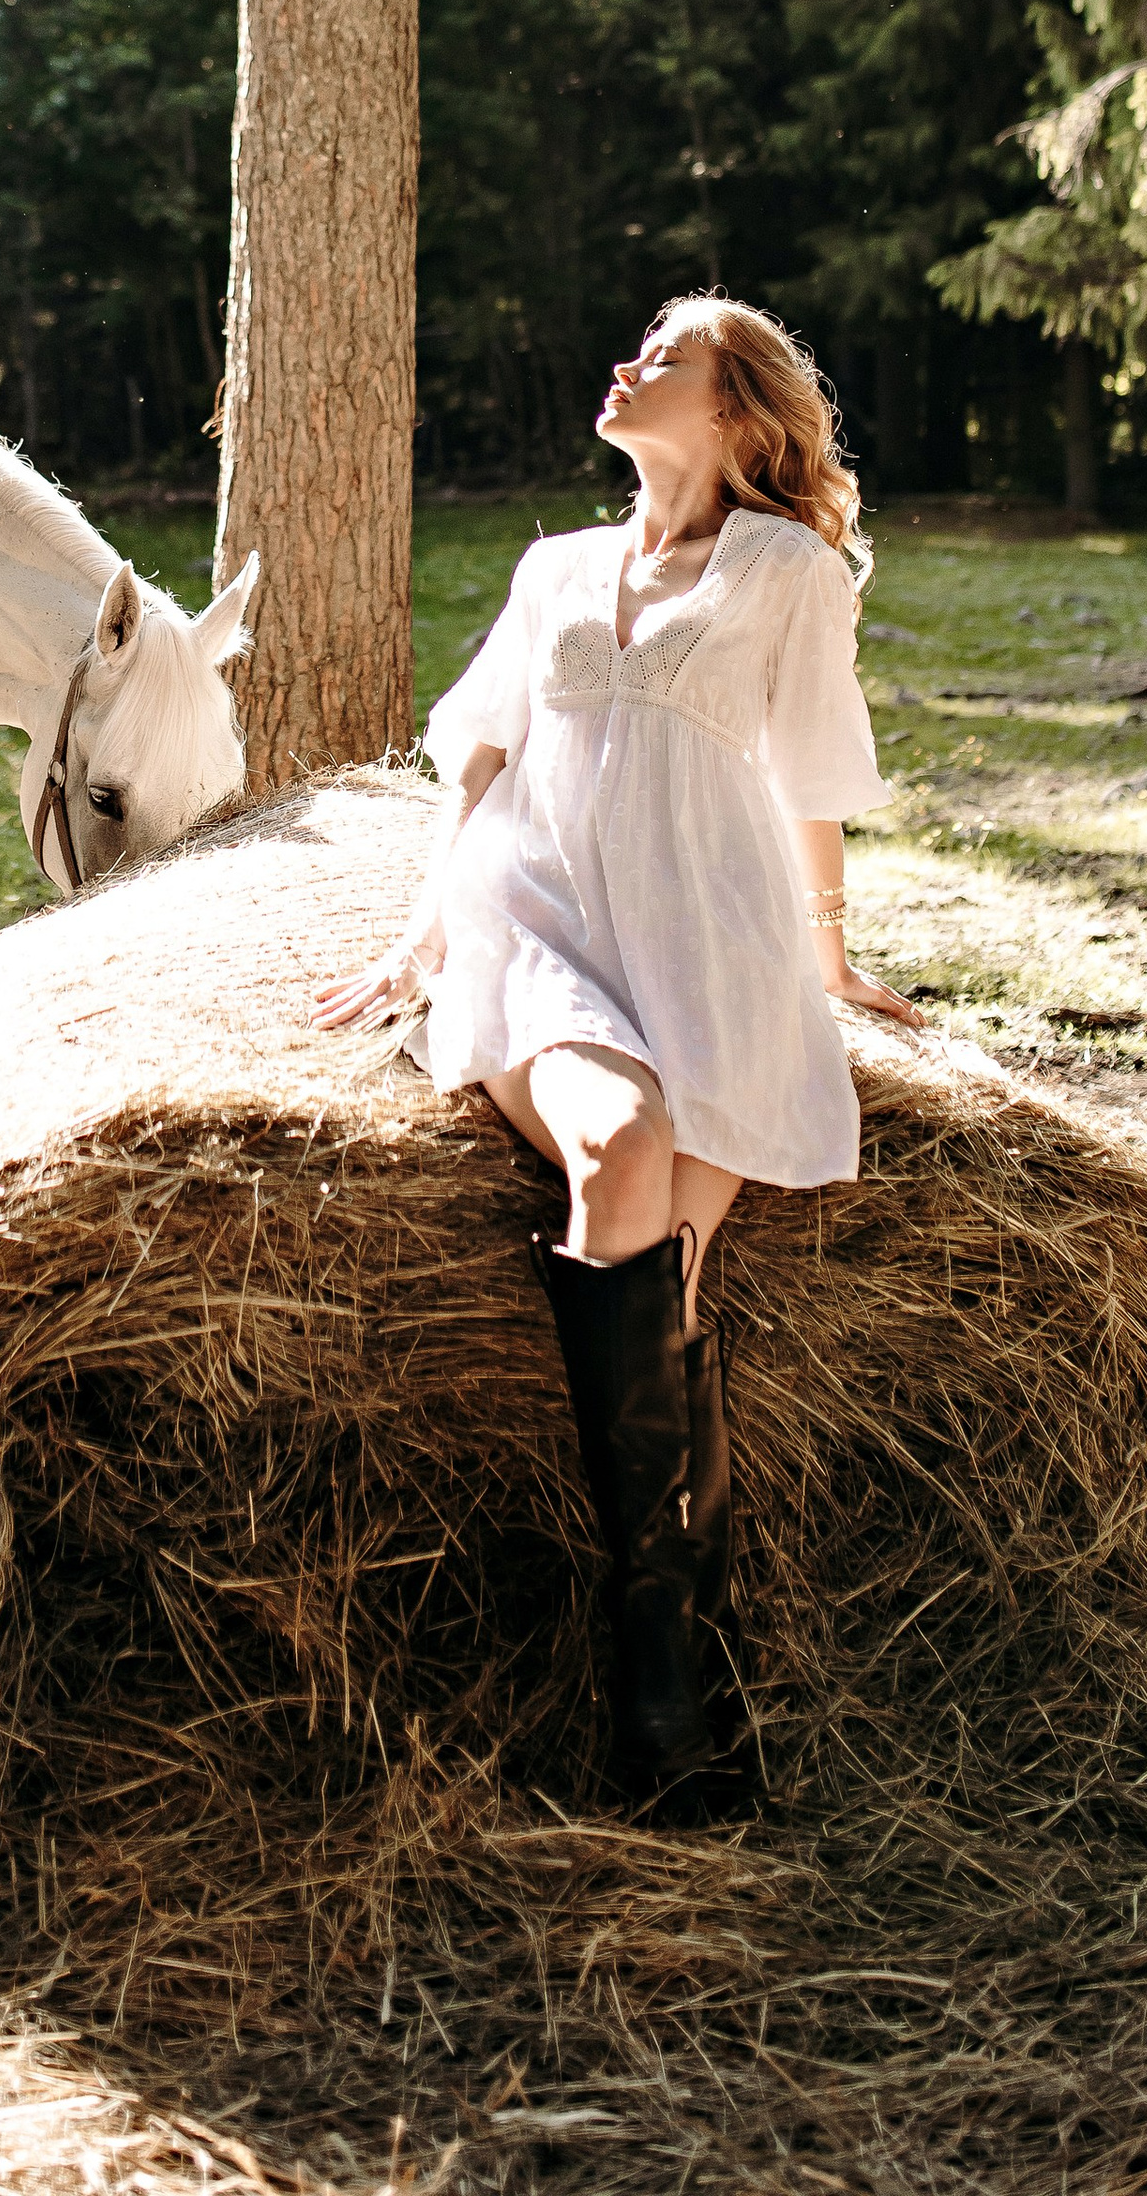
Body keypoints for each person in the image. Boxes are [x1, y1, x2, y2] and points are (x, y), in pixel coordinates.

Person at [314, 294, 920, 1819]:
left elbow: (814, 776)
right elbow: (483, 760)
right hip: (545, 924)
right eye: (631, 338)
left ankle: (674, 1667)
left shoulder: (791, 567)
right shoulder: (554, 567)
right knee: (621, 1152)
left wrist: (827, 954)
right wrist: (419, 934)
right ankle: (658, 1668)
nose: (626, 357)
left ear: (738, 413)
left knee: (681, 1278)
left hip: (713, 938)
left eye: (666, 351)